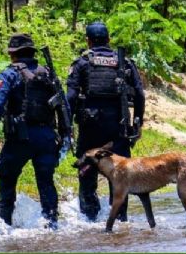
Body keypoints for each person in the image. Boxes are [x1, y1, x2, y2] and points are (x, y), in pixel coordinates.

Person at [0, 33, 72, 228]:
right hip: (47, 137)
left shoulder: (9, 74)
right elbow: (64, 106)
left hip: (19, 138)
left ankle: (5, 226)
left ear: (12, 54)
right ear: (31, 52)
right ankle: (52, 225)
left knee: (7, 178)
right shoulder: (48, 74)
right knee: (46, 183)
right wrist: (66, 135)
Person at [66, 21, 145, 222]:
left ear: (88, 41)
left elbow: (71, 97)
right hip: (118, 127)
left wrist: (67, 125)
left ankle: (90, 219)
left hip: (90, 127)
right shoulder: (124, 62)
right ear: (109, 40)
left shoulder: (82, 63)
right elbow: (140, 95)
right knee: (120, 175)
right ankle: (119, 219)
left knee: (87, 173)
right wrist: (138, 123)